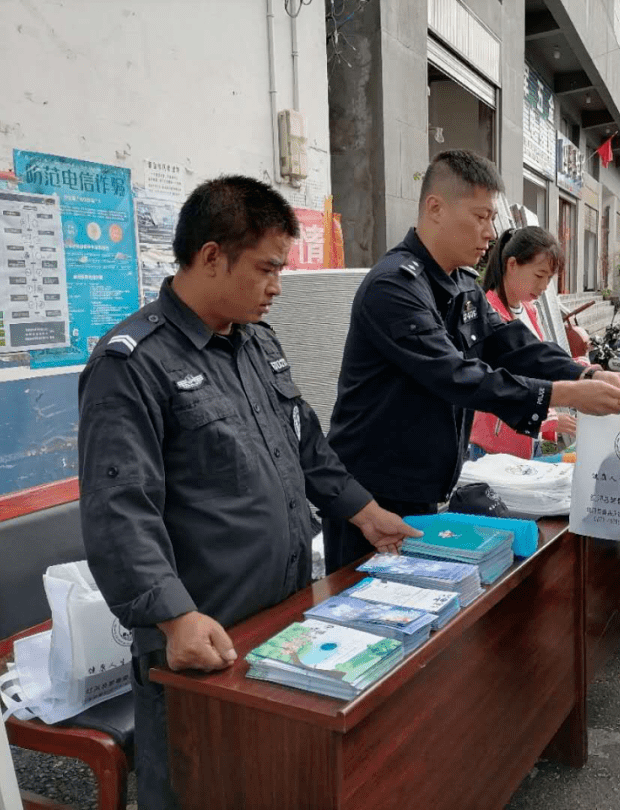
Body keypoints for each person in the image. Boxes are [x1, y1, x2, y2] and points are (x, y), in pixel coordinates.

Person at [77, 176, 419, 810]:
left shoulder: (256, 342)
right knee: (195, 786)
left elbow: (305, 444)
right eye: (265, 268)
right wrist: (174, 616)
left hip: (282, 612)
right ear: (212, 256)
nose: (277, 286)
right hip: (203, 632)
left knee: (272, 776)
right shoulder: (132, 364)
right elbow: (120, 510)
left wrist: (365, 512)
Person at [324, 149, 620, 573]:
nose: (491, 232)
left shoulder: (462, 285)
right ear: (435, 208)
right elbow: (456, 375)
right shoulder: (394, 288)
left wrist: (587, 372)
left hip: (426, 486)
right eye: (481, 216)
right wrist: (567, 394)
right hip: (375, 495)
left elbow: (513, 344)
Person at [469, 226, 580, 459]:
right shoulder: (488, 314)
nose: (543, 286)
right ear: (512, 265)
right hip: (494, 446)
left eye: (549, 278)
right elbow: (499, 387)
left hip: (526, 439)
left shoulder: (529, 309)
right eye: (539, 276)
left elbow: (534, 368)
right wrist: (549, 419)